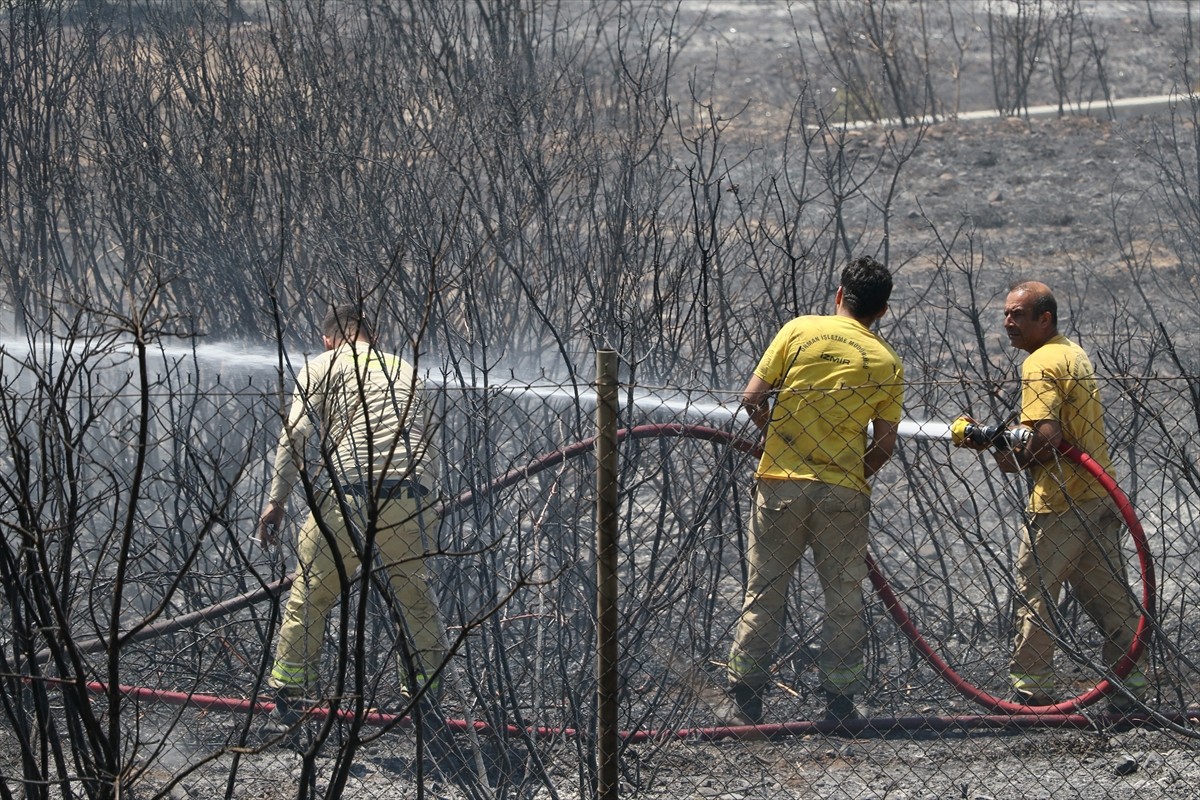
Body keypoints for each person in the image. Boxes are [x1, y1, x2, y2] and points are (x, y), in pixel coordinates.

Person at [724, 255, 904, 725]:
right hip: (842, 493)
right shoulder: (886, 361)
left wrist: (777, 440)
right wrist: (852, 472)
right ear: (882, 311)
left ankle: (745, 700)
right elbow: (885, 444)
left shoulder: (799, 330)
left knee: (764, 592)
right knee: (843, 595)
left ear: (840, 295)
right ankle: (841, 702)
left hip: (781, 484)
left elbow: (751, 398)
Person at [957, 281, 1147, 710]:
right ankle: (1132, 687)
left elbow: (1045, 439)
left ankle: (1032, 692)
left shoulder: (1041, 363)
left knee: (1036, 593)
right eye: (1006, 314)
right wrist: (1005, 440)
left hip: (1059, 501)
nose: (1008, 323)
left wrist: (996, 445)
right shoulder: (1072, 353)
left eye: (1018, 315)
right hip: (1097, 495)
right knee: (1110, 595)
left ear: (1045, 319)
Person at [257, 302, 446, 725]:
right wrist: (427, 505)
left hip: (349, 497)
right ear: (373, 337)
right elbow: (430, 444)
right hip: (412, 497)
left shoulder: (322, 365)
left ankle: (290, 699)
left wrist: (278, 501)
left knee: (311, 595)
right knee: (414, 598)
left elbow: (298, 433)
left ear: (327, 340)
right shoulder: (406, 370)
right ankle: (426, 700)